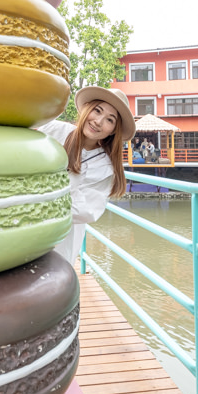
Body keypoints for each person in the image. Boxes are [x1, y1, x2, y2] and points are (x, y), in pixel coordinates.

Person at [37, 86, 136, 264]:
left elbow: (87, 210)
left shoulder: (105, 167)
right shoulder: (54, 130)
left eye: (109, 120)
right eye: (97, 110)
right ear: (87, 108)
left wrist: (38, 203)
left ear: (113, 130)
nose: (98, 121)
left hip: (59, 235)